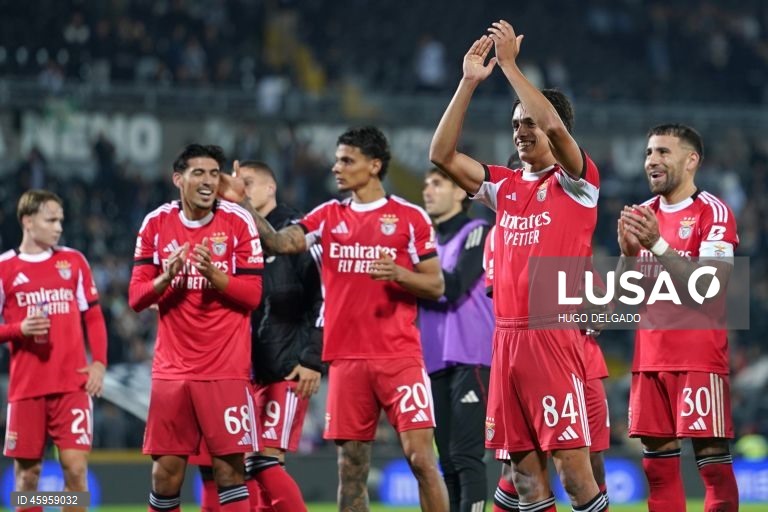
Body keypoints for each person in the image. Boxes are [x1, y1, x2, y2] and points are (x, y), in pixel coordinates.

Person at [221, 126, 449, 511]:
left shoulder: (410, 218)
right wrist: (242, 203)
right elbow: (278, 242)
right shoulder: (328, 216)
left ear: (374, 165)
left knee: (421, 459)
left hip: (399, 358)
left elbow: (436, 284)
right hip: (346, 361)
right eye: (337, 159)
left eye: (347, 160)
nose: (336, 167)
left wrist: (400, 274)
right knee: (351, 468)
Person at [430, 22, 607, 512]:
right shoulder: (504, 186)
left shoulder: (579, 183)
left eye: (528, 121)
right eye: (515, 124)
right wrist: (469, 82)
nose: (521, 130)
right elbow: (440, 154)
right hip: (505, 340)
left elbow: (552, 126)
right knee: (525, 480)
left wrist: (509, 65)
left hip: (551, 334)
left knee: (576, 475)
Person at [128, 144, 268, 512]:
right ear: (178, 179)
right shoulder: (155, 224)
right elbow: (137, 298)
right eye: (198, 173)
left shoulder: (238, 221)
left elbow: (253, 295)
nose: (207, 181)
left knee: (229, 474)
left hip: (224, 370)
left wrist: (214, 275)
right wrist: (167, 278)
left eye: (213, 174)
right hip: (172, 373)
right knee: (165, 475)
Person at [618, 123, 739, 511]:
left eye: (663, 152)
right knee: (657, 471)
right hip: (649, 358)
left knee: (714, 468)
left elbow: (711, 288)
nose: (651, 160)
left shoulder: (713, 212)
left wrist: (656, 243)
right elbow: (623, 297)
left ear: (691, 161)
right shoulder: (643, 215)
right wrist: (628, 254)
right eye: (648, 153)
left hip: (698, 359)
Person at [195, 161, 320, 512]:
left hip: (287, 366)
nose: (239, 189)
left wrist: (312, 358)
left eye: (247, 183)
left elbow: (323, 298)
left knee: (264, 462)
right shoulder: (234, 234)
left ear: (270, 188)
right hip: (242, 370)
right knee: (236, 466)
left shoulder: (297, 231)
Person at [0, 189, 108, 512]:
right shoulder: (4, 268)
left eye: (61, 219)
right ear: (28, 222)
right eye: (51, 220)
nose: (59, 227)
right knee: (27, 479)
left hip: (71, 386)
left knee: (75, 470)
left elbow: (93, 314)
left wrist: (99, 363)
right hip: (27, 388)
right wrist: (19, 329)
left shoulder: (73, 261)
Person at [419, 167, 494, 512]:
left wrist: (404, 276)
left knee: (465, 455)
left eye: (437, 183)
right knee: (446, 460)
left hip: (472, 355)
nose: (428, 190)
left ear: (461, 192)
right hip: (435, 360)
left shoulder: (477, 232)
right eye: (425, 184)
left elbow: (454, 285)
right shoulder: (427, 246)